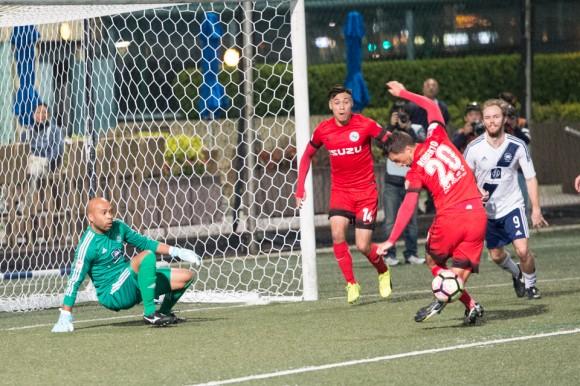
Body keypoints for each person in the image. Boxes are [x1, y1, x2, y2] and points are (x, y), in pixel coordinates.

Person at [377, 81, 487, 325]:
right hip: (478, 216)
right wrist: (403, 93)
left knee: (433, 260)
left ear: (405, 149)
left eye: (396, 159)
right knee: (457, 274)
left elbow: (408, 205)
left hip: (451, 218)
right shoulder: (437, 135)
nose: (399, 163)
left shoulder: (415, 171)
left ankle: (446, 297)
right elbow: (430, 105)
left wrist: (391, 239)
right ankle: (470, 304)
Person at [295, 85, 392, 304]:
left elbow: (390, 141)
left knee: (363, 246)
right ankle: (351, 283)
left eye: (346, 101)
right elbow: (306, 156)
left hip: (366, 193)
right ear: (331, 106)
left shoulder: (365, 124)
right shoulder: (323, 130)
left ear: (352, 104)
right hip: (341, 192)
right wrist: (300, 188)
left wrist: (404, 159)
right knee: (337, 235)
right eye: (337, 102)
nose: (342, 106)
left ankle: (383, 271)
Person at [51, 197, 202, 332]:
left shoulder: (118, 227)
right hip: (113, 293)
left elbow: (144, 242)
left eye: (111, 211)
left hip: (129, 281)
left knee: (187, 276)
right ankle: (150, 313)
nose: (110, 216)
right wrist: (66, 313)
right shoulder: (87, 245)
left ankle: (163, 312)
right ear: (91, 217)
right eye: (104, 213)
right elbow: (74, 280)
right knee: (147, 257)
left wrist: (177, 251)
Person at [464, 99, 549, 300]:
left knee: (522, 250)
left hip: (513, 206)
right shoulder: (474, 148)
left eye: (495, 117)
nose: (492, 121)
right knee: (496, 256)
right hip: (488, 211)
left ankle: (531, 285)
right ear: (483, 121)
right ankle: (518, 273)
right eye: (487, 118)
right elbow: (465, 178)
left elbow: (530, 177)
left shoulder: (517, 145)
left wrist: (536, 209)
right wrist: (476, 190)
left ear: (503, 119)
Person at [382, 101, 425, 266]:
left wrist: (407, 129)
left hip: (412, 181)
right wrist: (391, 127)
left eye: (403, 113)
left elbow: (422, 145)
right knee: (390, 221)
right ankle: (389, 254)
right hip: (392, 182)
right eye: (397, 113)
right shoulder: (388, 131)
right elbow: (382, 146)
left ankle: (411, 253)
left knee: (412, 222)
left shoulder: (416, 128)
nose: (401, 116)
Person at [409, 78, 450, 214]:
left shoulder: (442, 107)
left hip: (437, 148)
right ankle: (417, 210)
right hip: (420, 148)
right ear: (423, 88)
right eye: (428, 85)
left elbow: (445, 125)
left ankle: (433, 208)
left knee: (436, 179)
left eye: (434, 85)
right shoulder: (414, 106)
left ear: (437, 89)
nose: (431, 88)